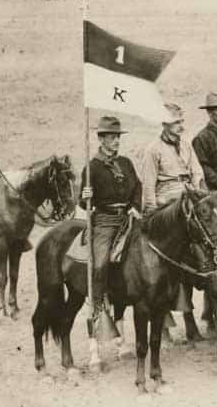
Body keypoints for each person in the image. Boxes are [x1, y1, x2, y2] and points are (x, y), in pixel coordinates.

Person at [79, 116, 142, 341]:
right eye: (112, 137)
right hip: (105, 221)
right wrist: (86, 196)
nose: (116, 141)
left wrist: (135, 206)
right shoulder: (92, 167)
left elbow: (137, 186)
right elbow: (81, 202)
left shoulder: (125, 163)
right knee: (101, 262)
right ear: (101, 139)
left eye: (117, 137)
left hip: (127, 217)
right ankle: (97, 304)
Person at [137, 103, 205, 215]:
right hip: (166, 198)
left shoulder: (186, 146)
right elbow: (148, 184)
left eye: (181, 121)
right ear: (164, 124)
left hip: (188, 193)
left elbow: (197, 172)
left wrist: (198, 193)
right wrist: (151, 208)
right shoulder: (153, 149)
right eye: (176, 122)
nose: (181, 126)